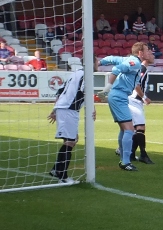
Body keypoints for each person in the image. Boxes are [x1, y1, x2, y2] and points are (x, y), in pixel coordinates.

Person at [99, 42, 150, 172]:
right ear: (140, 53)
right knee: (129, 129)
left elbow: (111, 58)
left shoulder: (129, 60)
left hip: (119, 96)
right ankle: (126, 162)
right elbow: (116, 69)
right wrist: (107, 88)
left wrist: (99, 63)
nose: (149, 52)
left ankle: (124, 159)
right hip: (119, 96)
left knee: (124, 129)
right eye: (147, 50)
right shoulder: (136, 63)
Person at [47, 59, 97, 183]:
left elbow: (60, 91)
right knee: (69, 141)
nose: (98, 65)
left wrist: (55, 109)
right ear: (92, 62)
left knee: (72, 139)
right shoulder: (86, 75)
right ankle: (62, 176)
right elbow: (86, 92)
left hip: (65, 108)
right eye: (97, 62)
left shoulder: (75, 73)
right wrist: (93, 108)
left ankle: (56, 169)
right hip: (68, 108)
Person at [127, 53, 155, 164]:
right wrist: (144, 97)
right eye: (150, 54)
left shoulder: (142, 68)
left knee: (137, 128)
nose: (153, 56)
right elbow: (136, 83)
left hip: (134, 100)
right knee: (140, 127)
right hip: (134, 99)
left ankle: (132, 154)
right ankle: (143, 154)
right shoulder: (142, 68)